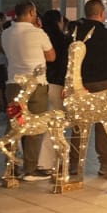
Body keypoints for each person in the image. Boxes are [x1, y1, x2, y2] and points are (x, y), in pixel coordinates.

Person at [1, 2, 57, 181]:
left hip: (13, 83)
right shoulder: (37, 33)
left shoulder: (6, 33)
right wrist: (39, 30)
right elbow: (51, 56)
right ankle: (30, 168)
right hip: (36, 84)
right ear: (32, 12)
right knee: (35, 126)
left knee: (14, 125)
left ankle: (10, 166)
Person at [72, 0, 107, 178]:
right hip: (104, 83)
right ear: (102, 14)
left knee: (78, 124)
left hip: (80, 83)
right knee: (104, 124)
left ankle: (73, 164)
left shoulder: (75, 31)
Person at [40, 9, 72, 175]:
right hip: (56, 84)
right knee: (54, 125)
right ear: (58, 22)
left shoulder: (39, 36)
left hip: (39, 85)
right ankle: (47, 162)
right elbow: (64, 65)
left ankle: (33, 160)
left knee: (39, 122)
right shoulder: (62, 40)